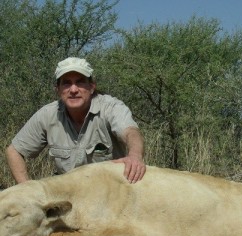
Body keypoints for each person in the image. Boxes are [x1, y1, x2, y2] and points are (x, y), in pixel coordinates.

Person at [6, 57, 146, 184]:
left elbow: (130, 132)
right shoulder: (48, 114)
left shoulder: (110, 107)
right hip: (68, 195)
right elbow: (14, 151)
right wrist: (27, 188)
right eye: (66, 83)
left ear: (91, 87)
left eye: (80, 82)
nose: (73, 89)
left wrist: (135, 155)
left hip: (109, 191)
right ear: (58, 89)